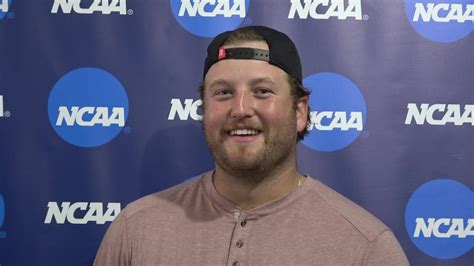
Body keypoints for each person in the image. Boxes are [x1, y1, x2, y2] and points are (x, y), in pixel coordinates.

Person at [95, 25, 409, 265]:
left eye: (261, 91)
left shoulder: (366, 247)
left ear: (299, 111)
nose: (241, 108)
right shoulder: (135, 230)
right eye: (223, 93)